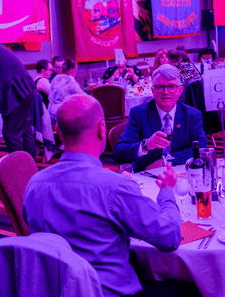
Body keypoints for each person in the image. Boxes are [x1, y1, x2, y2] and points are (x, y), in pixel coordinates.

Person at [22, 94, 181, 297]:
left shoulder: (34, 184)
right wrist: (166, 192)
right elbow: (169, 237)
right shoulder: (114, 187)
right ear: (101, 129)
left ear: (58, 133)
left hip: (56, 289)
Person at [113, 65, 208, 171]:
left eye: (171, 86)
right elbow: (119, 153)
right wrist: (146, 145)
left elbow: (201, 148)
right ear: (153, 90)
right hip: (146, 174)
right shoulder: (139, 114)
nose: (166, 92)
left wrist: (165, 161)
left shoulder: (192, 115)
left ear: (180, 91)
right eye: (160, 87)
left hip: (182, 174)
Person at [48, 59, 84, 125]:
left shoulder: (56, 77)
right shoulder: (69, 79)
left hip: (51, 114)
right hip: (61, 115)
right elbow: (82, 96)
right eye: (76, 69)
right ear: (73, 70)